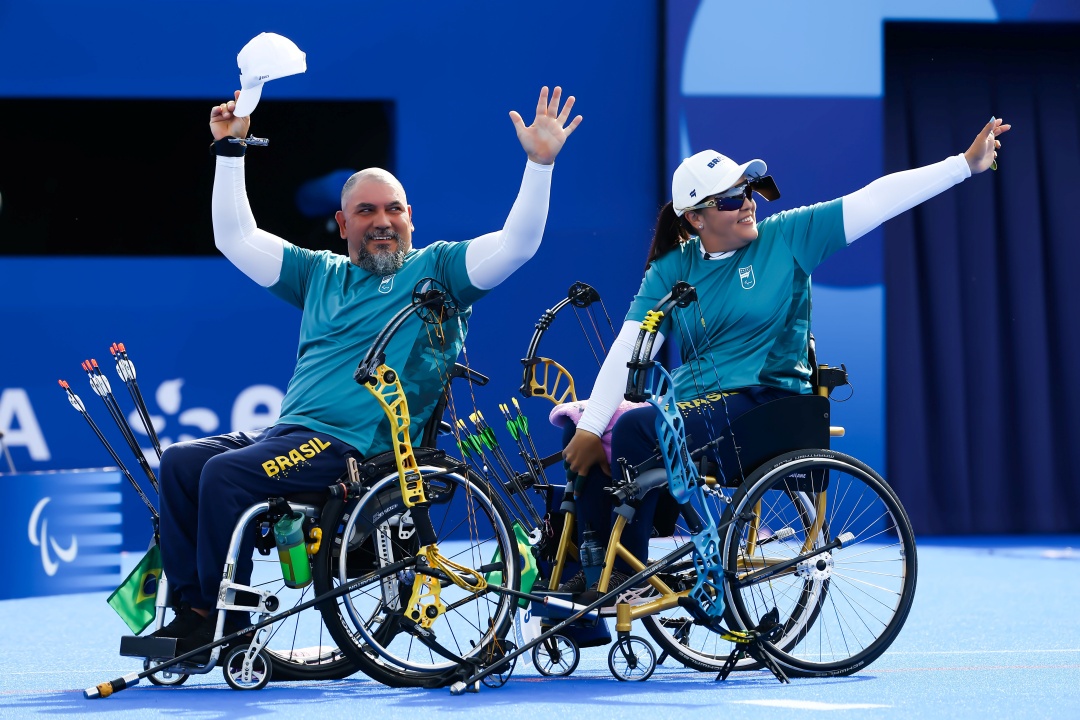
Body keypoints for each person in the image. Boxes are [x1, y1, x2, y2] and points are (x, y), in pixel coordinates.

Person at [151, 86, 582, 652]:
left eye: (393, 209)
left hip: (360, 448)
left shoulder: (440, 271)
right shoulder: (318, 275)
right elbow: (234, 238)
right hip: (291, 435)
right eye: (366, 211)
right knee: (182, 463)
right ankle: (188, 611)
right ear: (341, 223)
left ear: (410, 217)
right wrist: (231, 152)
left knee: (225, 476)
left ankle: (216, 620)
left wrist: (539, 164)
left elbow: (517, 245)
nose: (382, 221)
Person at [559, 116, 1010, 593]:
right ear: (695, 218)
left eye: (747, 191)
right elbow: (629, 345)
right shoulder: (671, 269)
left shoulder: (788, 238)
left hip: (767, 402)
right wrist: (589, 428)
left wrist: (963, 165)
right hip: (696, 408)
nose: (747, 204)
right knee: (586, 432)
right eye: (731, 199)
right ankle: (579, 585)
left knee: (630, 426)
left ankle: (623, 578)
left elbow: (875, 200)